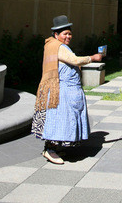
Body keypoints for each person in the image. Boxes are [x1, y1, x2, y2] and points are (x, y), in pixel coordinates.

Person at [32, 14, 102, 165]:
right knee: (58, 119)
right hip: (61, 91)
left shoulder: (54, 45)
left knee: (61, 120)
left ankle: (54, 148)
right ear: (56, 35)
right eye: (65, 33)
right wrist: (93, 58)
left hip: (65, 90)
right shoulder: (58, 47)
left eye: (70, 33)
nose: (68, 36)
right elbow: (75, 60)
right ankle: (49, 149)